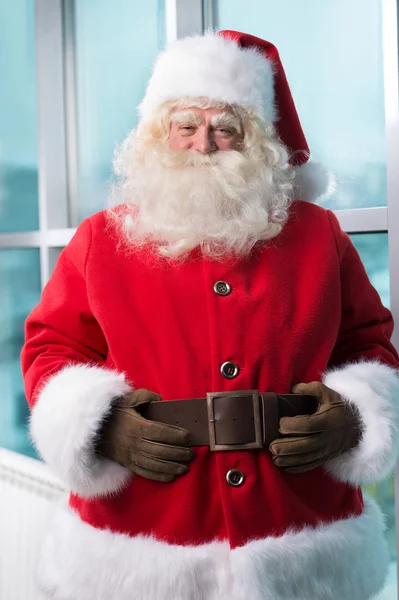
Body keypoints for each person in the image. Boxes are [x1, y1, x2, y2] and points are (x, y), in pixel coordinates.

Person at [21, 30, 399, 600]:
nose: (205, 144)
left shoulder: (320, 237)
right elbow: (50, 347)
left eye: (226, 128)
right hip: (143, 533)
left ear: (257, 142)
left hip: (299, 530)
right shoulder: (100, 239)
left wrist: (353, 414)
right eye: (186, 126)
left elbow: (371, 343)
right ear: (159, 136)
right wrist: (99, 427)